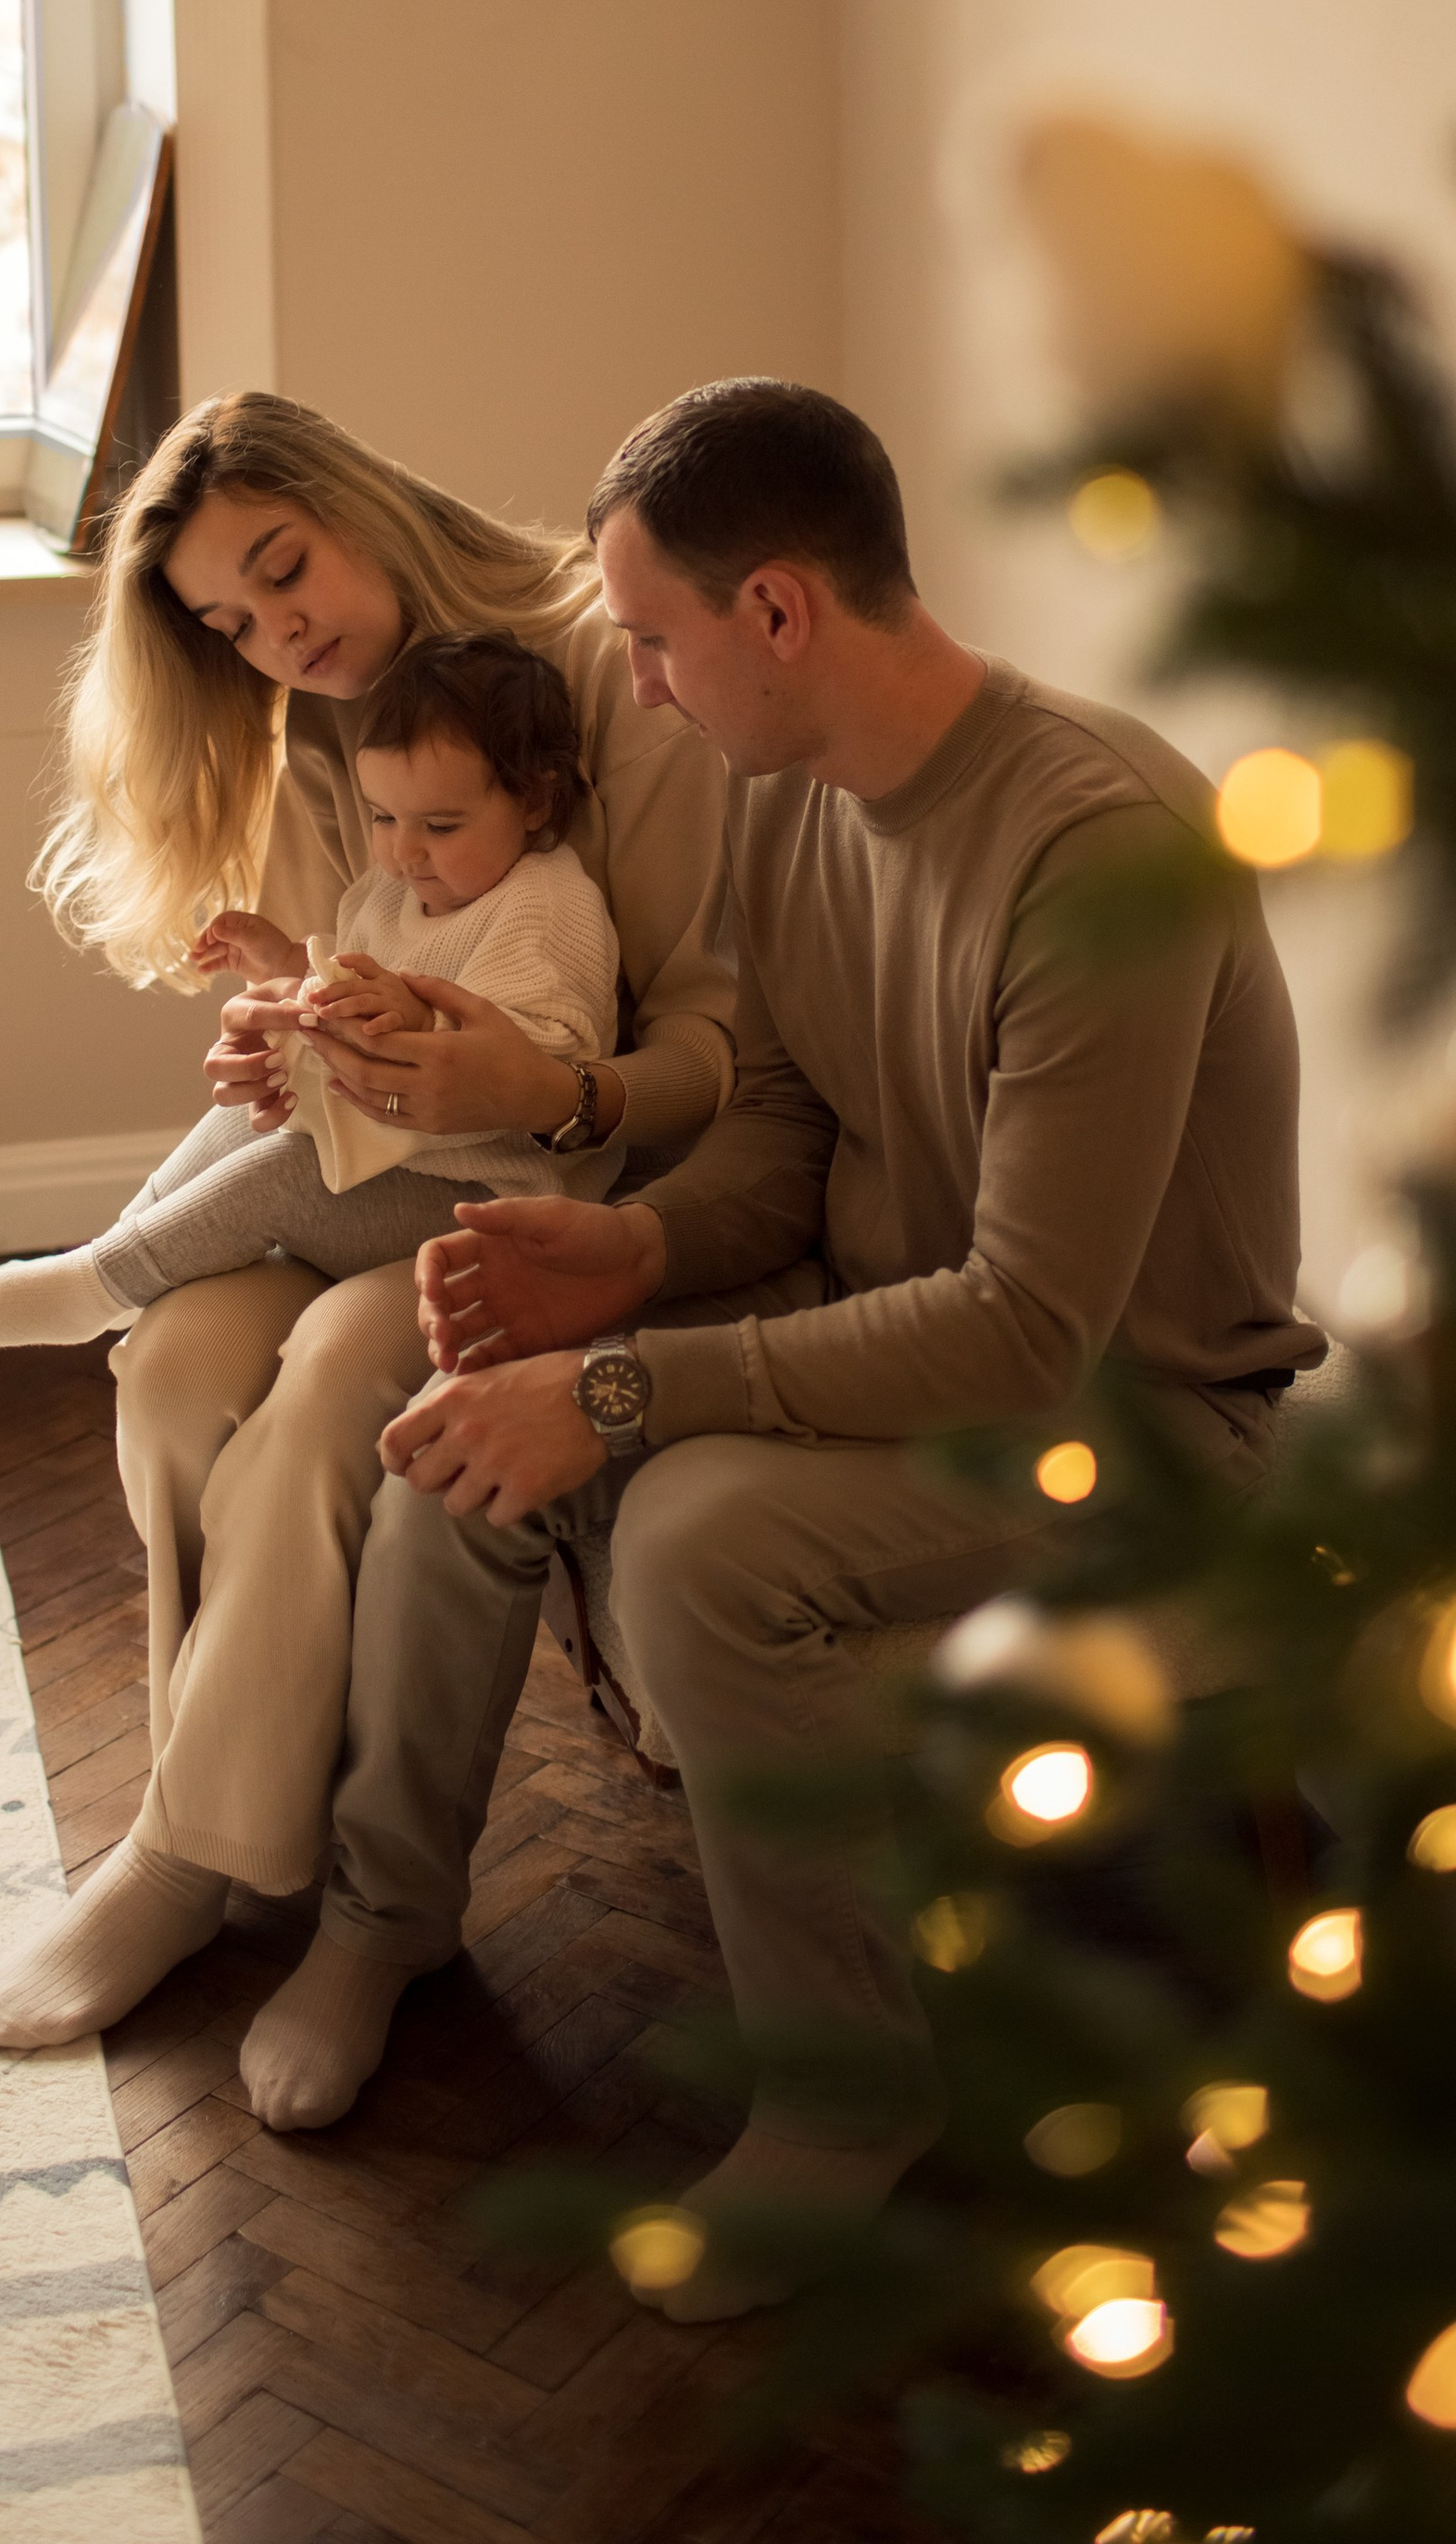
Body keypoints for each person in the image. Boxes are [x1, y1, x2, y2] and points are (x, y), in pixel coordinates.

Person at [275, 379, 1327, 2309]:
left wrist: (619, 1385)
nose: (639, 691)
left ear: (775, 612)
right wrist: (627, 1250)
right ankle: (385, 1912)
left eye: (653, 641)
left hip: (1134, 1420)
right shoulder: (788, 789)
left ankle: (847, 2097)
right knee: (464, 1423)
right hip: (886, 1327)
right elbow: (785, 1119)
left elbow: (1026, 1327)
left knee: (690, 1538)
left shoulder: (1095, 848)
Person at [0, 395, 735, 2089]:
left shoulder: (604, 673)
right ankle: (204, 1839)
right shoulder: (318, 734)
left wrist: (548, 1086)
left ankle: (346, 1901)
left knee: (324, 1392)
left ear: (357, 500)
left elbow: (712, 1043)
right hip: (364, 1164)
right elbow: (342, 985)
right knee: (174, 1366)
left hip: (548, 1185)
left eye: (285, 570)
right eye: (231, 623)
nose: (277, 634)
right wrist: (271, 1037)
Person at [0, 636, 621, 1336]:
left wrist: (421, 1019)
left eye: (440, 826)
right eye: (382, 817)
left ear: (534, 801)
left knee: (286, 1169)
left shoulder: (545, 904)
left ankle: (102, 1286)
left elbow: (556, 1057)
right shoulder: (392, 891)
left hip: (486, 1192)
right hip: (389, 1154)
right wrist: (285, 964)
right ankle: (116, 1254)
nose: (403, 851)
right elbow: (347, 975)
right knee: (247, 1116)